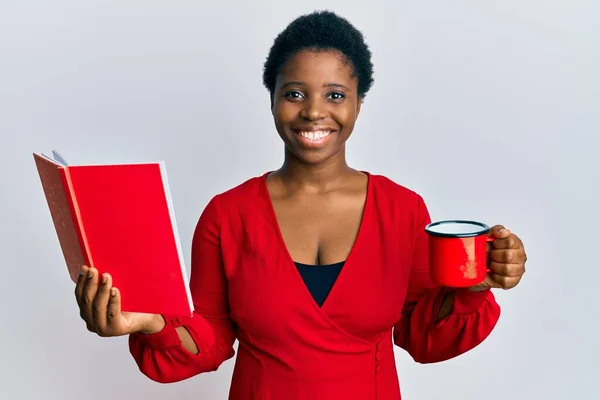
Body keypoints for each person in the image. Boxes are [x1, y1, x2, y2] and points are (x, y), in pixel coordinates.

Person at [74, 10, 527, 400]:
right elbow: (209, 342)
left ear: (358, 103)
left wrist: (473, 286)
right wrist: (150, 322)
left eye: (334, 95)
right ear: (271, 97)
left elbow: (423, 335)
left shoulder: (403, 210)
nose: (314, 111)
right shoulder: (227, 215)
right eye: (294, 93)